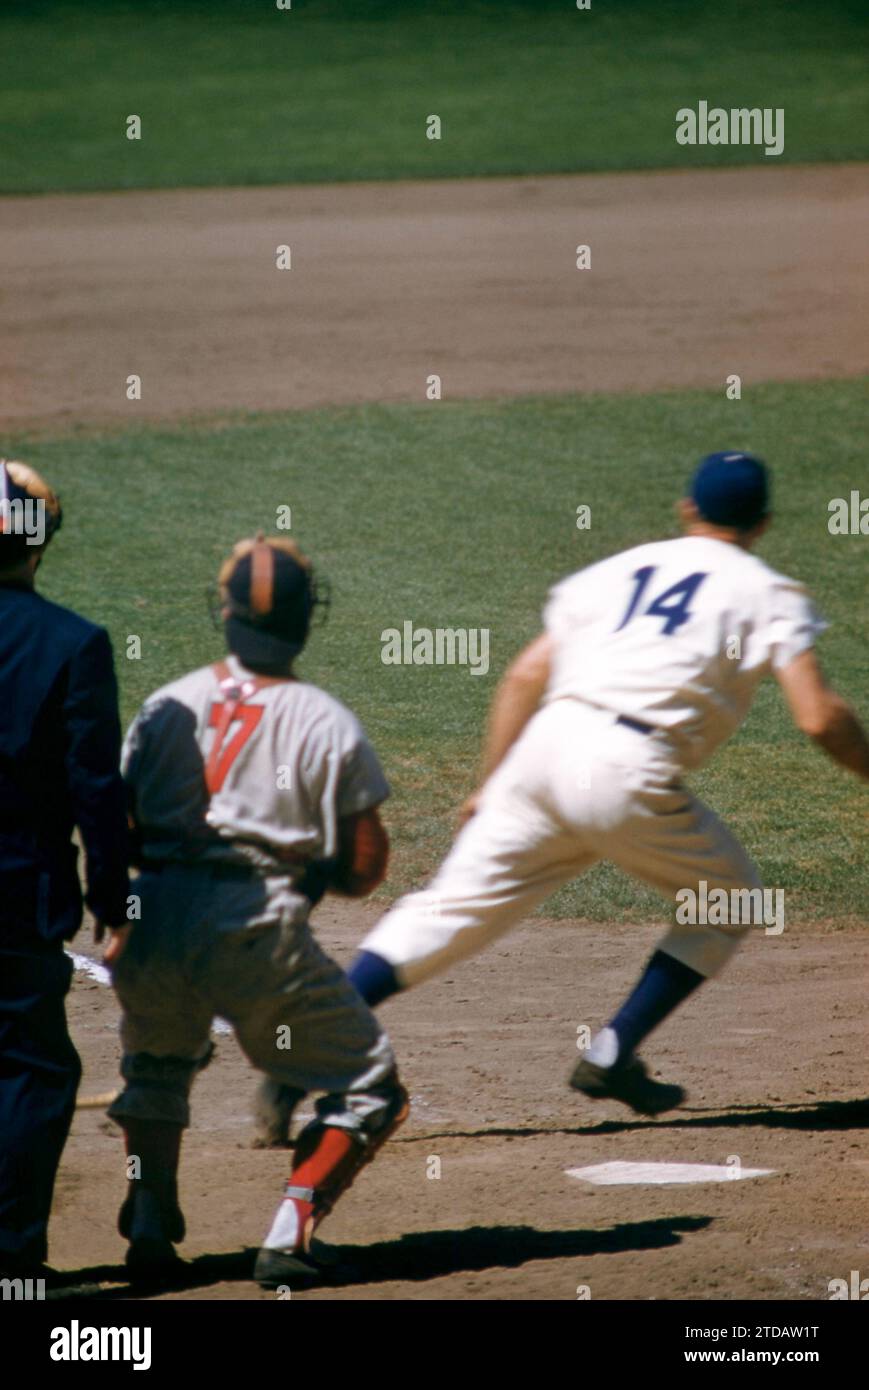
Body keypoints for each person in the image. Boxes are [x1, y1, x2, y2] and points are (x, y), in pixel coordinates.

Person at [348, 453, 869, 1114]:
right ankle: (612, 1050)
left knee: (447, 910)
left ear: (686, 509)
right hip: (624, 766)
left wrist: (489, 782)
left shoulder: (617, 571)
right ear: (762, 523)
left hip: (541, 750)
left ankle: (309, 1044)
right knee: (730, 898)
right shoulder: (767, 593)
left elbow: (522, 676)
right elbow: (818, 716)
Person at [108, 535, 407, 1287]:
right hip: (252, 927)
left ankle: (147, 1221)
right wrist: (311, 864)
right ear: (309, 618)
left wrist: (122, 917)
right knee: (371, 1086)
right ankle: (289, 1231)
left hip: (150, 913)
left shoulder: (165, 701)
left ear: (225, 612)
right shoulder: (323, 718)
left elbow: (118, 825)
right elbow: (368, 870)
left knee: (156, 1067)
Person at [0, 460, 129, 1277]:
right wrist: (113, 903)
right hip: (17, 901)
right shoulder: (71, 644)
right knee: (28, 1071)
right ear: (37, 545)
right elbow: (95, 791)